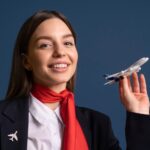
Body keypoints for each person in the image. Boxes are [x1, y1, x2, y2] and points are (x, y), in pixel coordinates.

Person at [0, 10, 150, 150]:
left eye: (67, 43)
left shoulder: (97, 124)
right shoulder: (3, 119)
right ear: (26, 61)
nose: (60, 52)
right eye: (45, 45)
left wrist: (139, 114)